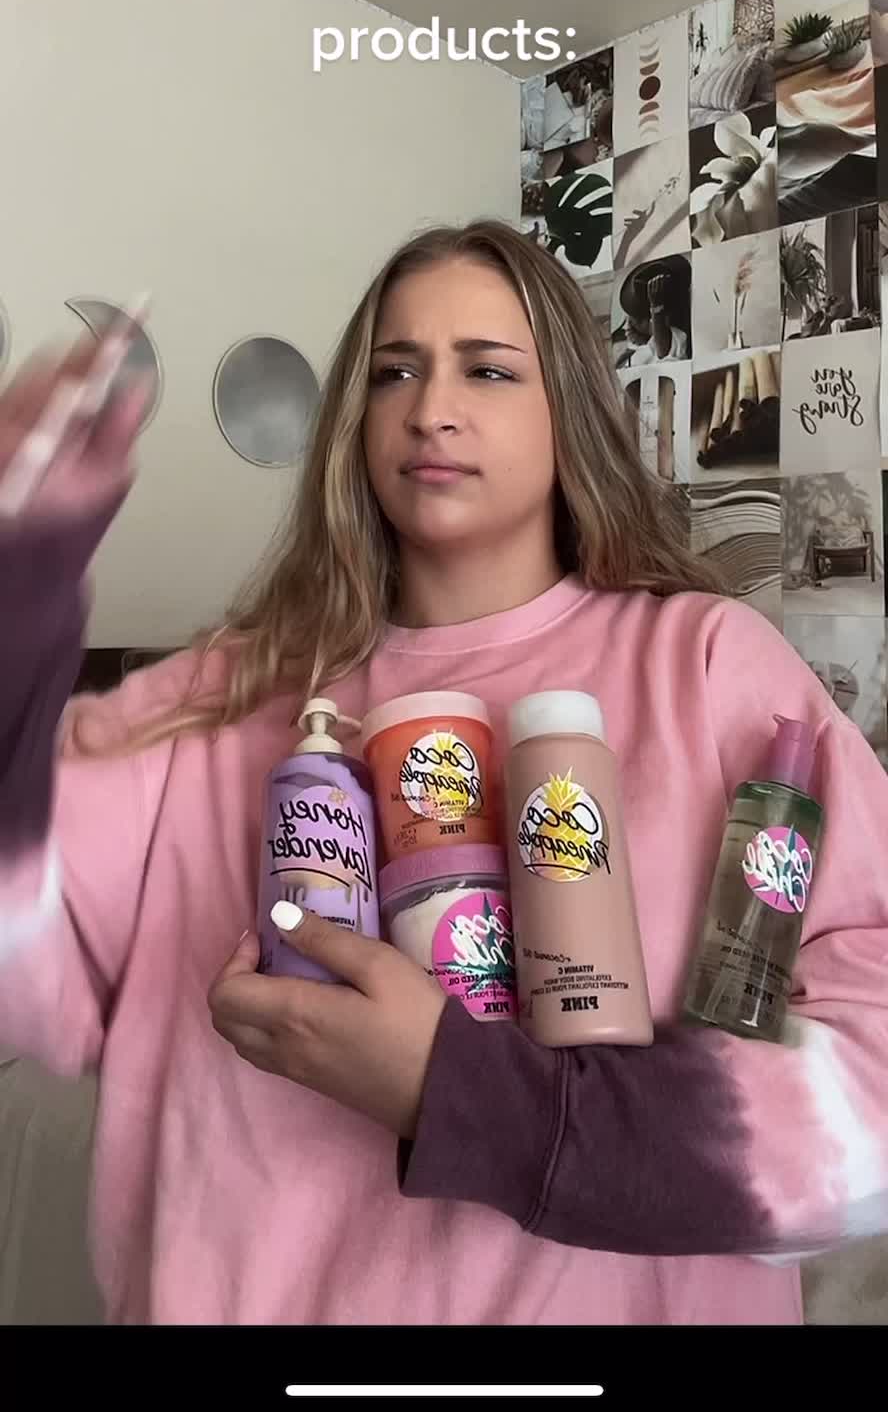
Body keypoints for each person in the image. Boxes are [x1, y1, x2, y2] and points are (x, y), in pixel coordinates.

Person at [1, 221, 887, 1328]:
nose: (430, 409)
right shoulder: (219, 698)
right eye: (395, 371)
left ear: (570, 407)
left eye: (488, 370)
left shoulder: (706, 669)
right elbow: (20, 940)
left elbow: (868, 1100)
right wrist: (21, 597)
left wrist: (461, 1092)